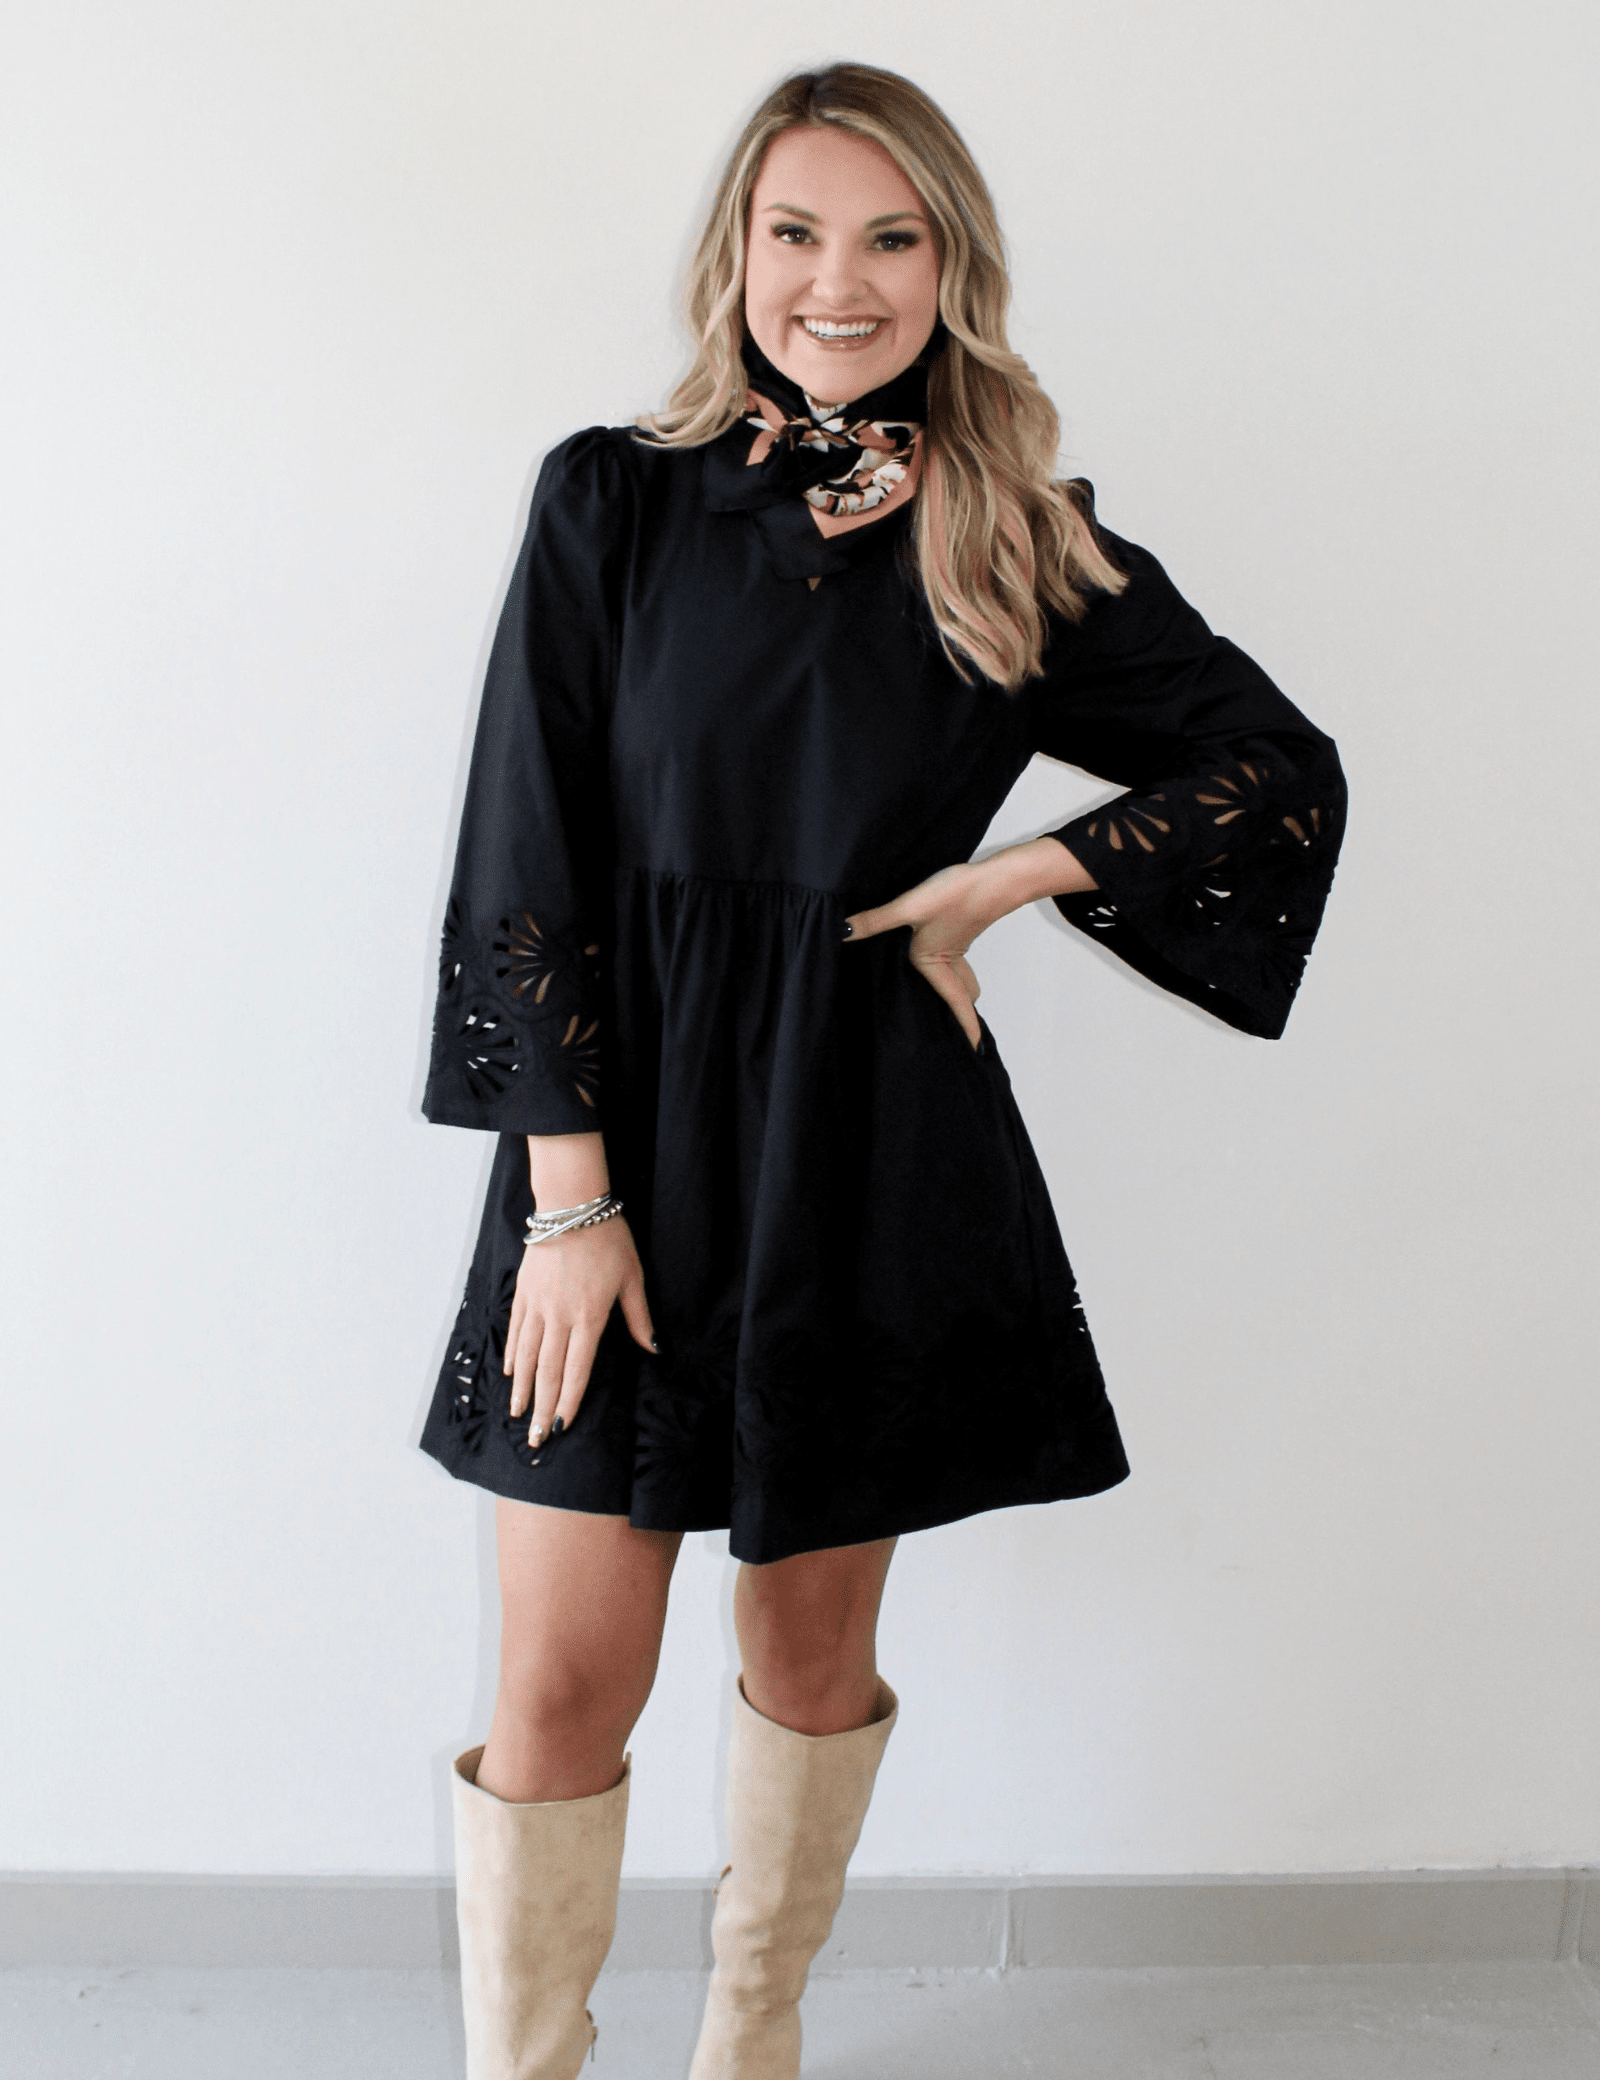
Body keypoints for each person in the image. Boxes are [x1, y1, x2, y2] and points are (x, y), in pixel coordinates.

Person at [418, 60, 1345, 2080]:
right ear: (735, 253)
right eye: (795, 231)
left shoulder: (1015, 535)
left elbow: (1275, 765)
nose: (836, 280)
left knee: (808, 1648)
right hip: (619, 1141)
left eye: (888, 238)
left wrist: (1002, 879)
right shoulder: (611, 498)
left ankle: (751, 2038)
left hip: (865, 1137)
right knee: (561, 1684)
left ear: (950, 268)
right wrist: (568, 1200)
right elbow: (522, 850)